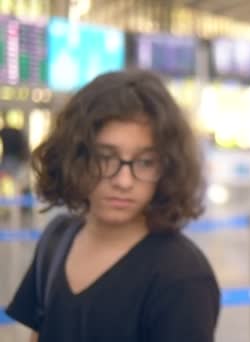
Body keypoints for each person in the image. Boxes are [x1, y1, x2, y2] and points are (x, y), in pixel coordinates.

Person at [6, 70, 220, 342]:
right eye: (105, 158)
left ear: (167, 168)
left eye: (145, 162)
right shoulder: (56, 239)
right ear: (75, 157)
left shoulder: (182, 275)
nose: (123, 180)